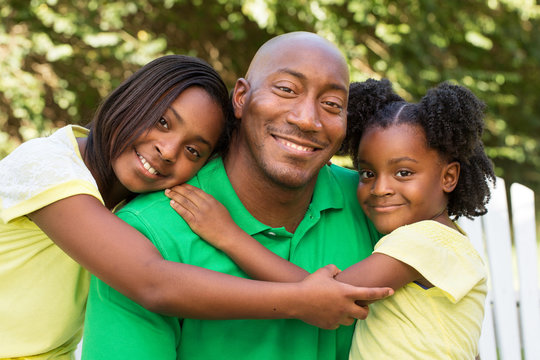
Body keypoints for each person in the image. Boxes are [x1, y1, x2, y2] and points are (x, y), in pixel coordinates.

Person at [0, 55, 390, 360]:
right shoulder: (47, 168)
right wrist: (299, 301)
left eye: (193, 150)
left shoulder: (136, 196)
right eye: (163, 122)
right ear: (130, 96)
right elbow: (151, 281)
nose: (167, 151)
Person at [168, 78, 495, 359]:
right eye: (367, 173)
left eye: (404, 172)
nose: (380, 188)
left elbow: (326, 297)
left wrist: (229, 236)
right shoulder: (445, 242)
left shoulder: (421, 242)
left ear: (449, 177)